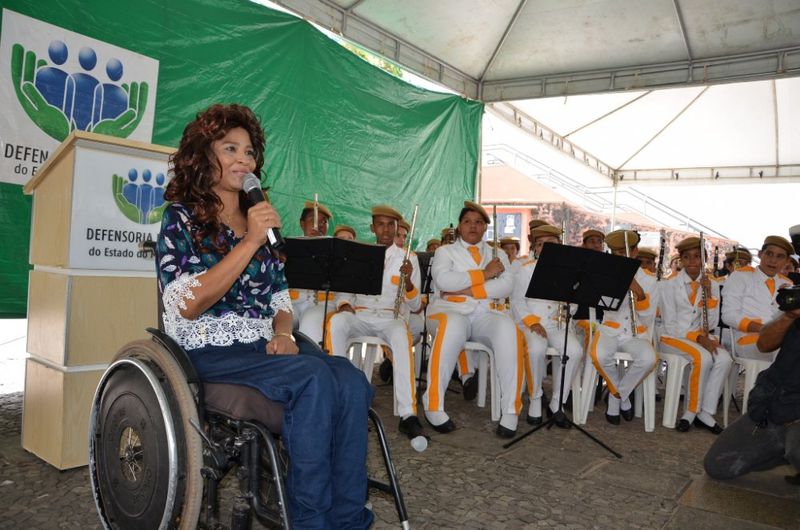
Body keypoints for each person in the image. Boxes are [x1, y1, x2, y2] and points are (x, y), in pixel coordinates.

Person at [156, 103, 373, 529]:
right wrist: (250, 241)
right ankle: (310, 521)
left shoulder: (262, 221)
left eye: (250, 152)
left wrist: (286, 333)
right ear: (203, 157)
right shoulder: (181, 219)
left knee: (350, 379)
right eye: (230, 149)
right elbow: (187, 303)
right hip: (209, 349)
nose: (243, 159)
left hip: (262, 345)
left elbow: (278, 295)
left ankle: (348, 519)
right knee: (313, 381)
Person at [326, 205, 427, 440]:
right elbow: (343, 290)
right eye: (380, 224)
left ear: (396, 228)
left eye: (390, 224)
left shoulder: (408, 257)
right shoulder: (358, 254)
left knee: (402, 337)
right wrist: (344, 305)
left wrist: (409, 283)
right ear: (372, 227)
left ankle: (408, 414)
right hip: (359, 314)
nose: (385, 229)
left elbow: (416, 307)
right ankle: (340, 402)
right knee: (337, 322)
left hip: (390, 318)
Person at [423, 201, 522, 438]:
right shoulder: (444, 252)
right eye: (467, 221)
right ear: (459, 227)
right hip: (448, 310)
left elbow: (507, 285)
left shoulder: (497, 254)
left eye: (478, 222)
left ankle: (511, 409)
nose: (473, 226)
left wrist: (468, 290)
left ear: (486, 227)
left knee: (508, 329)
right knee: (452, 326)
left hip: (485, 312)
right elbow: (445, 282)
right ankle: (433, 403)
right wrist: (486, 274)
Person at [704, 300, 800, 485]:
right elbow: (764, 344)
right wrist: (789, 316)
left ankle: (792, 448)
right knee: (718, 465)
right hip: (772, 408)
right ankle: (785, 450)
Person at [512, 224, 583, 428]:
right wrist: (532, 322)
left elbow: (575, 301)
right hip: (532, 323)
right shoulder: (525, 270)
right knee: (536, 349)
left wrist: (570, 309)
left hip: (556, 324)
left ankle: (556, 403)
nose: (546, 248)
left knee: (576, 351)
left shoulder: (568, 271)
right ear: (535, 248)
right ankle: (535, 398)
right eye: (541, 244)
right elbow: (517, 301)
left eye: (551, 244)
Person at [658, 236, 732, 433]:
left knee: (724, 359)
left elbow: (713, 323)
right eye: (687, 257)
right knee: (703, 358)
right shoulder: (669, 284)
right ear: (681, 260)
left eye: (697, 257)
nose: (692, 262)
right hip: (672, 337)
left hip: (702, 337)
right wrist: (699, 339)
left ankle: (705, 412)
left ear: (704, 259)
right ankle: (690, 411)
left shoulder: (712, 284)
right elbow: (670, 324)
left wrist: (710, 297)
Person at [587, 230, 658, 425]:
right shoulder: (605, 275)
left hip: (636, 333)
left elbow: (648, 316)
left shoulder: (650, 280)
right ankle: (623, 397)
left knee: (649, 358)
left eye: (625, 252)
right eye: (617, 254)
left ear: (635, 252)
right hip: (610, 328)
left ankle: (616, 396)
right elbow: (602, 305)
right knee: (599, 355)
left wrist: (640, 294)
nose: (622, 257)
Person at [721, 235, 793, 360]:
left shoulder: (788, 284)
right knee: (788, 352)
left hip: (779, 339)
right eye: (769, 254)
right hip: (747, 339)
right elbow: (729, 315)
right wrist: (764, 329)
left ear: (787, 261)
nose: (773, 260)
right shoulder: (741, 276)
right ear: (760, 254)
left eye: (780, 256)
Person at [289, 200, 336, 344]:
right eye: (313, 220)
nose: (319, 225)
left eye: (324, 222)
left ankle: (309, 363)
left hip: (321, 305)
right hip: (293, 304)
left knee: (310, 320)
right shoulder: (290, 247)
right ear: (302, 224)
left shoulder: (335, 250)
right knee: (276, 321)